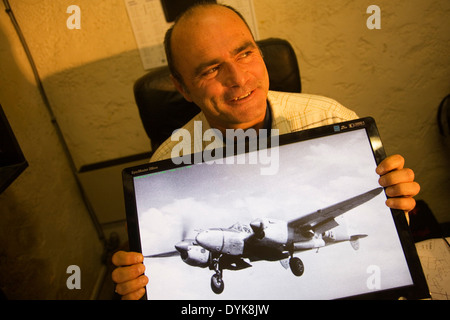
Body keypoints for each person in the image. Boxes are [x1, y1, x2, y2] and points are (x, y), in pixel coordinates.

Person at [112, 3, 420, 300]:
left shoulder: (332, 119)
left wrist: (396, 207)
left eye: (245, 53)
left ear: (260, 52)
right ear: (182, 89)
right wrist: (140, 282)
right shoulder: (165, 163)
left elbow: (395, 218)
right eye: (210, 70)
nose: (237, 78)